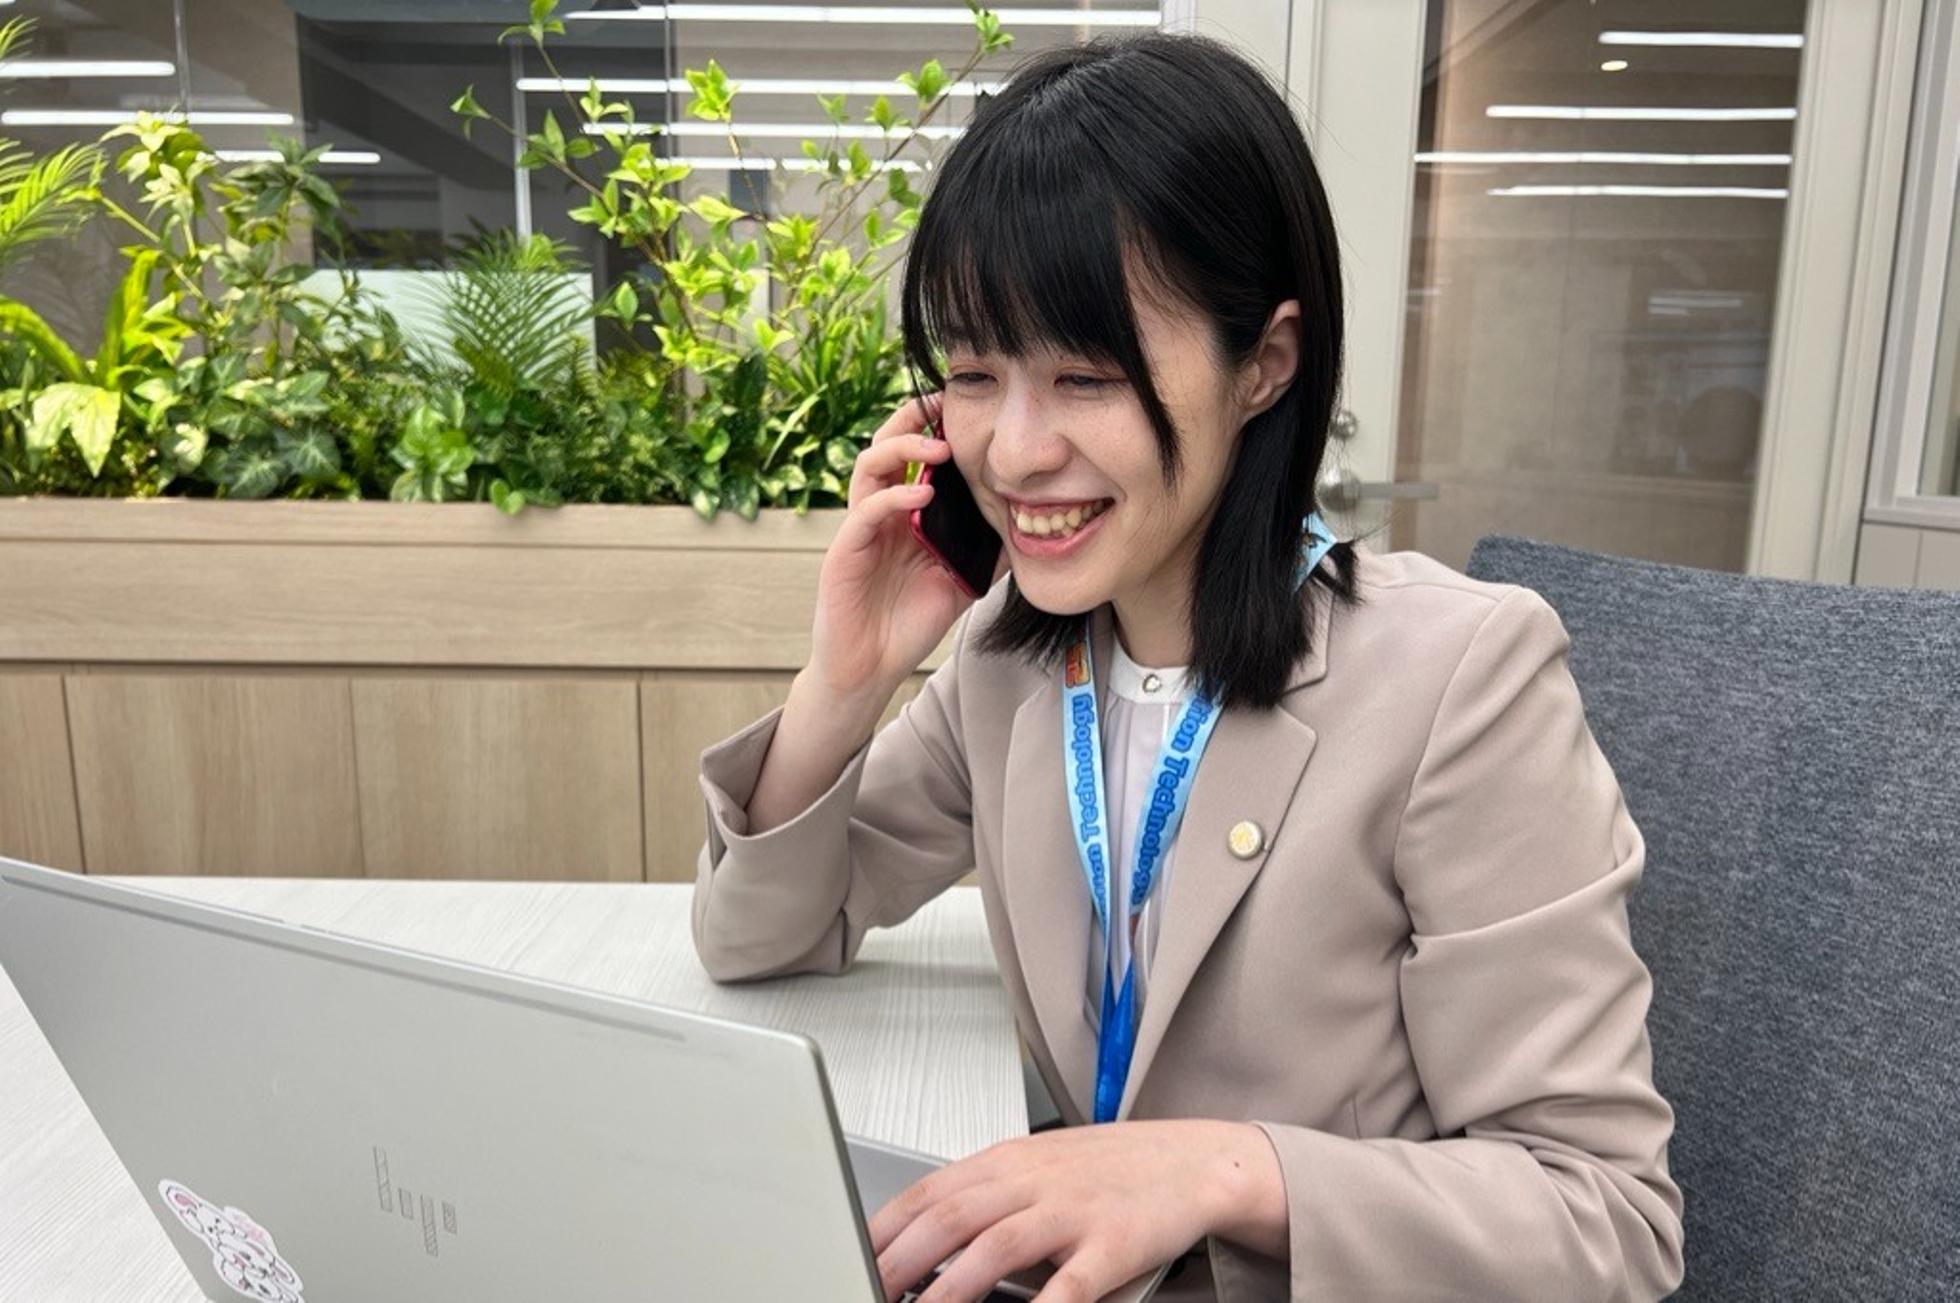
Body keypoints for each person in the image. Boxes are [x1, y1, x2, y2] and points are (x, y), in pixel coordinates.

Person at [690, 29, 1684, 1303]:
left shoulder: (1459, 679)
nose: (1013, 450)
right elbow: (756, 935)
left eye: (1085, 374)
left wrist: (1222, 1171)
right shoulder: (1010, 659)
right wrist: (848, 680)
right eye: (975, 373)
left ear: (1263, 363)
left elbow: (1607, 1222)